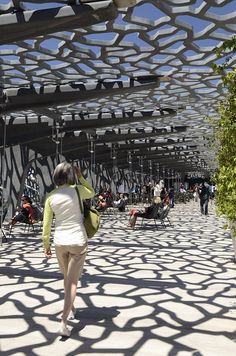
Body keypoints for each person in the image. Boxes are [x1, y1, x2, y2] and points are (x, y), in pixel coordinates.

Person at [42, 161, 95, 337]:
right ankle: (64, 322)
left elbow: (47, 225)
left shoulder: (50, 196)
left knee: (66, 279)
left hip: (60, 242)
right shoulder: (78, 190)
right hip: (78, 241)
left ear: (56, 176)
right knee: (72, 282)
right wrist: (81, 177)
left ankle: (71, 309)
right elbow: (92, 192)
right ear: (71, 176)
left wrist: (46, 245)